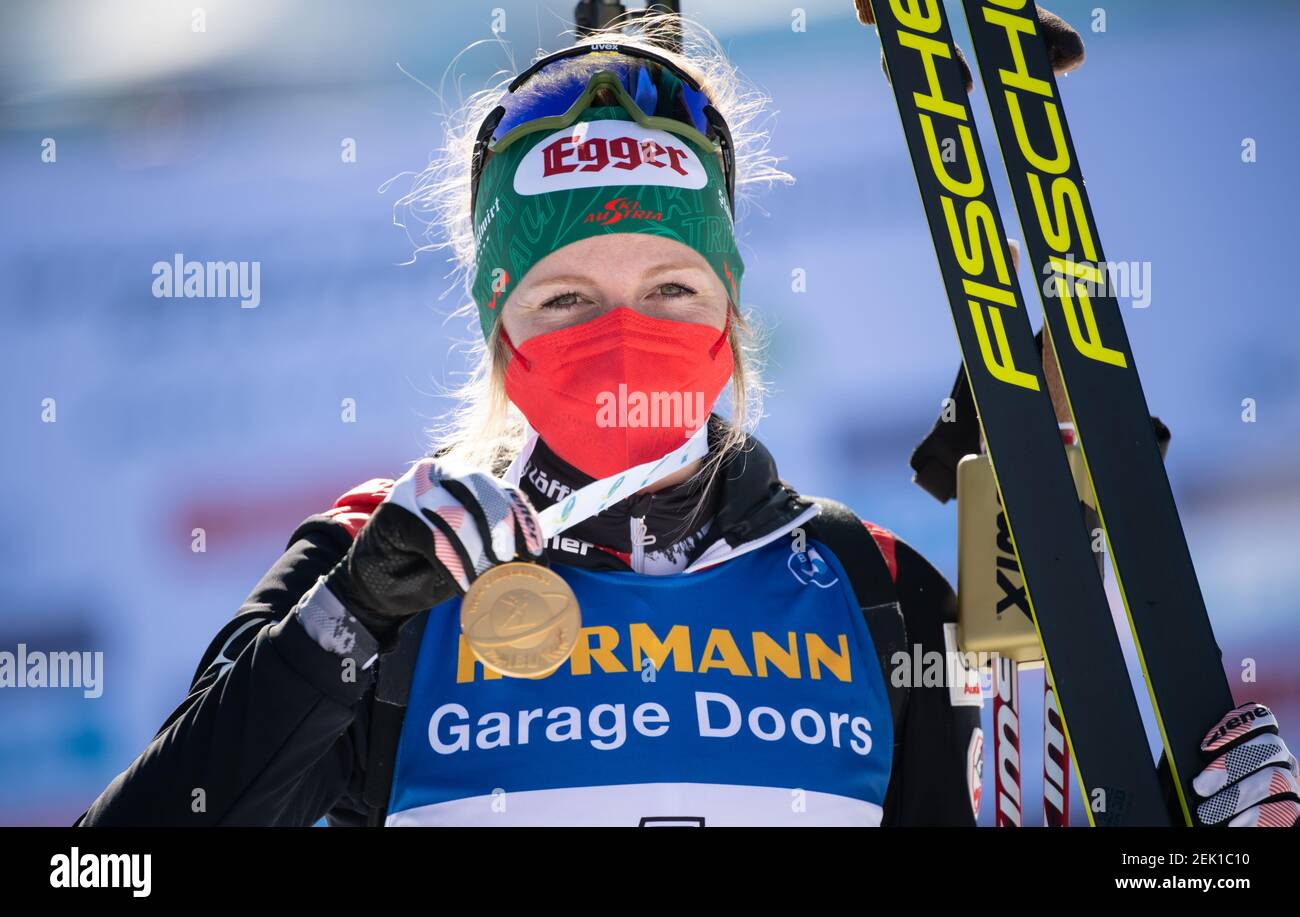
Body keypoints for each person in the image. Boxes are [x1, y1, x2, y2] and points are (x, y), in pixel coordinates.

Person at [77, 13, 1296, 828]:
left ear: (731, 312)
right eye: (567, 299)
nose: (625, 333)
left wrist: (1204, 848)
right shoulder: (375, 563)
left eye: (670, 289)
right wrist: (342, 622)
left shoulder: (871, 591)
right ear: (498, 328)